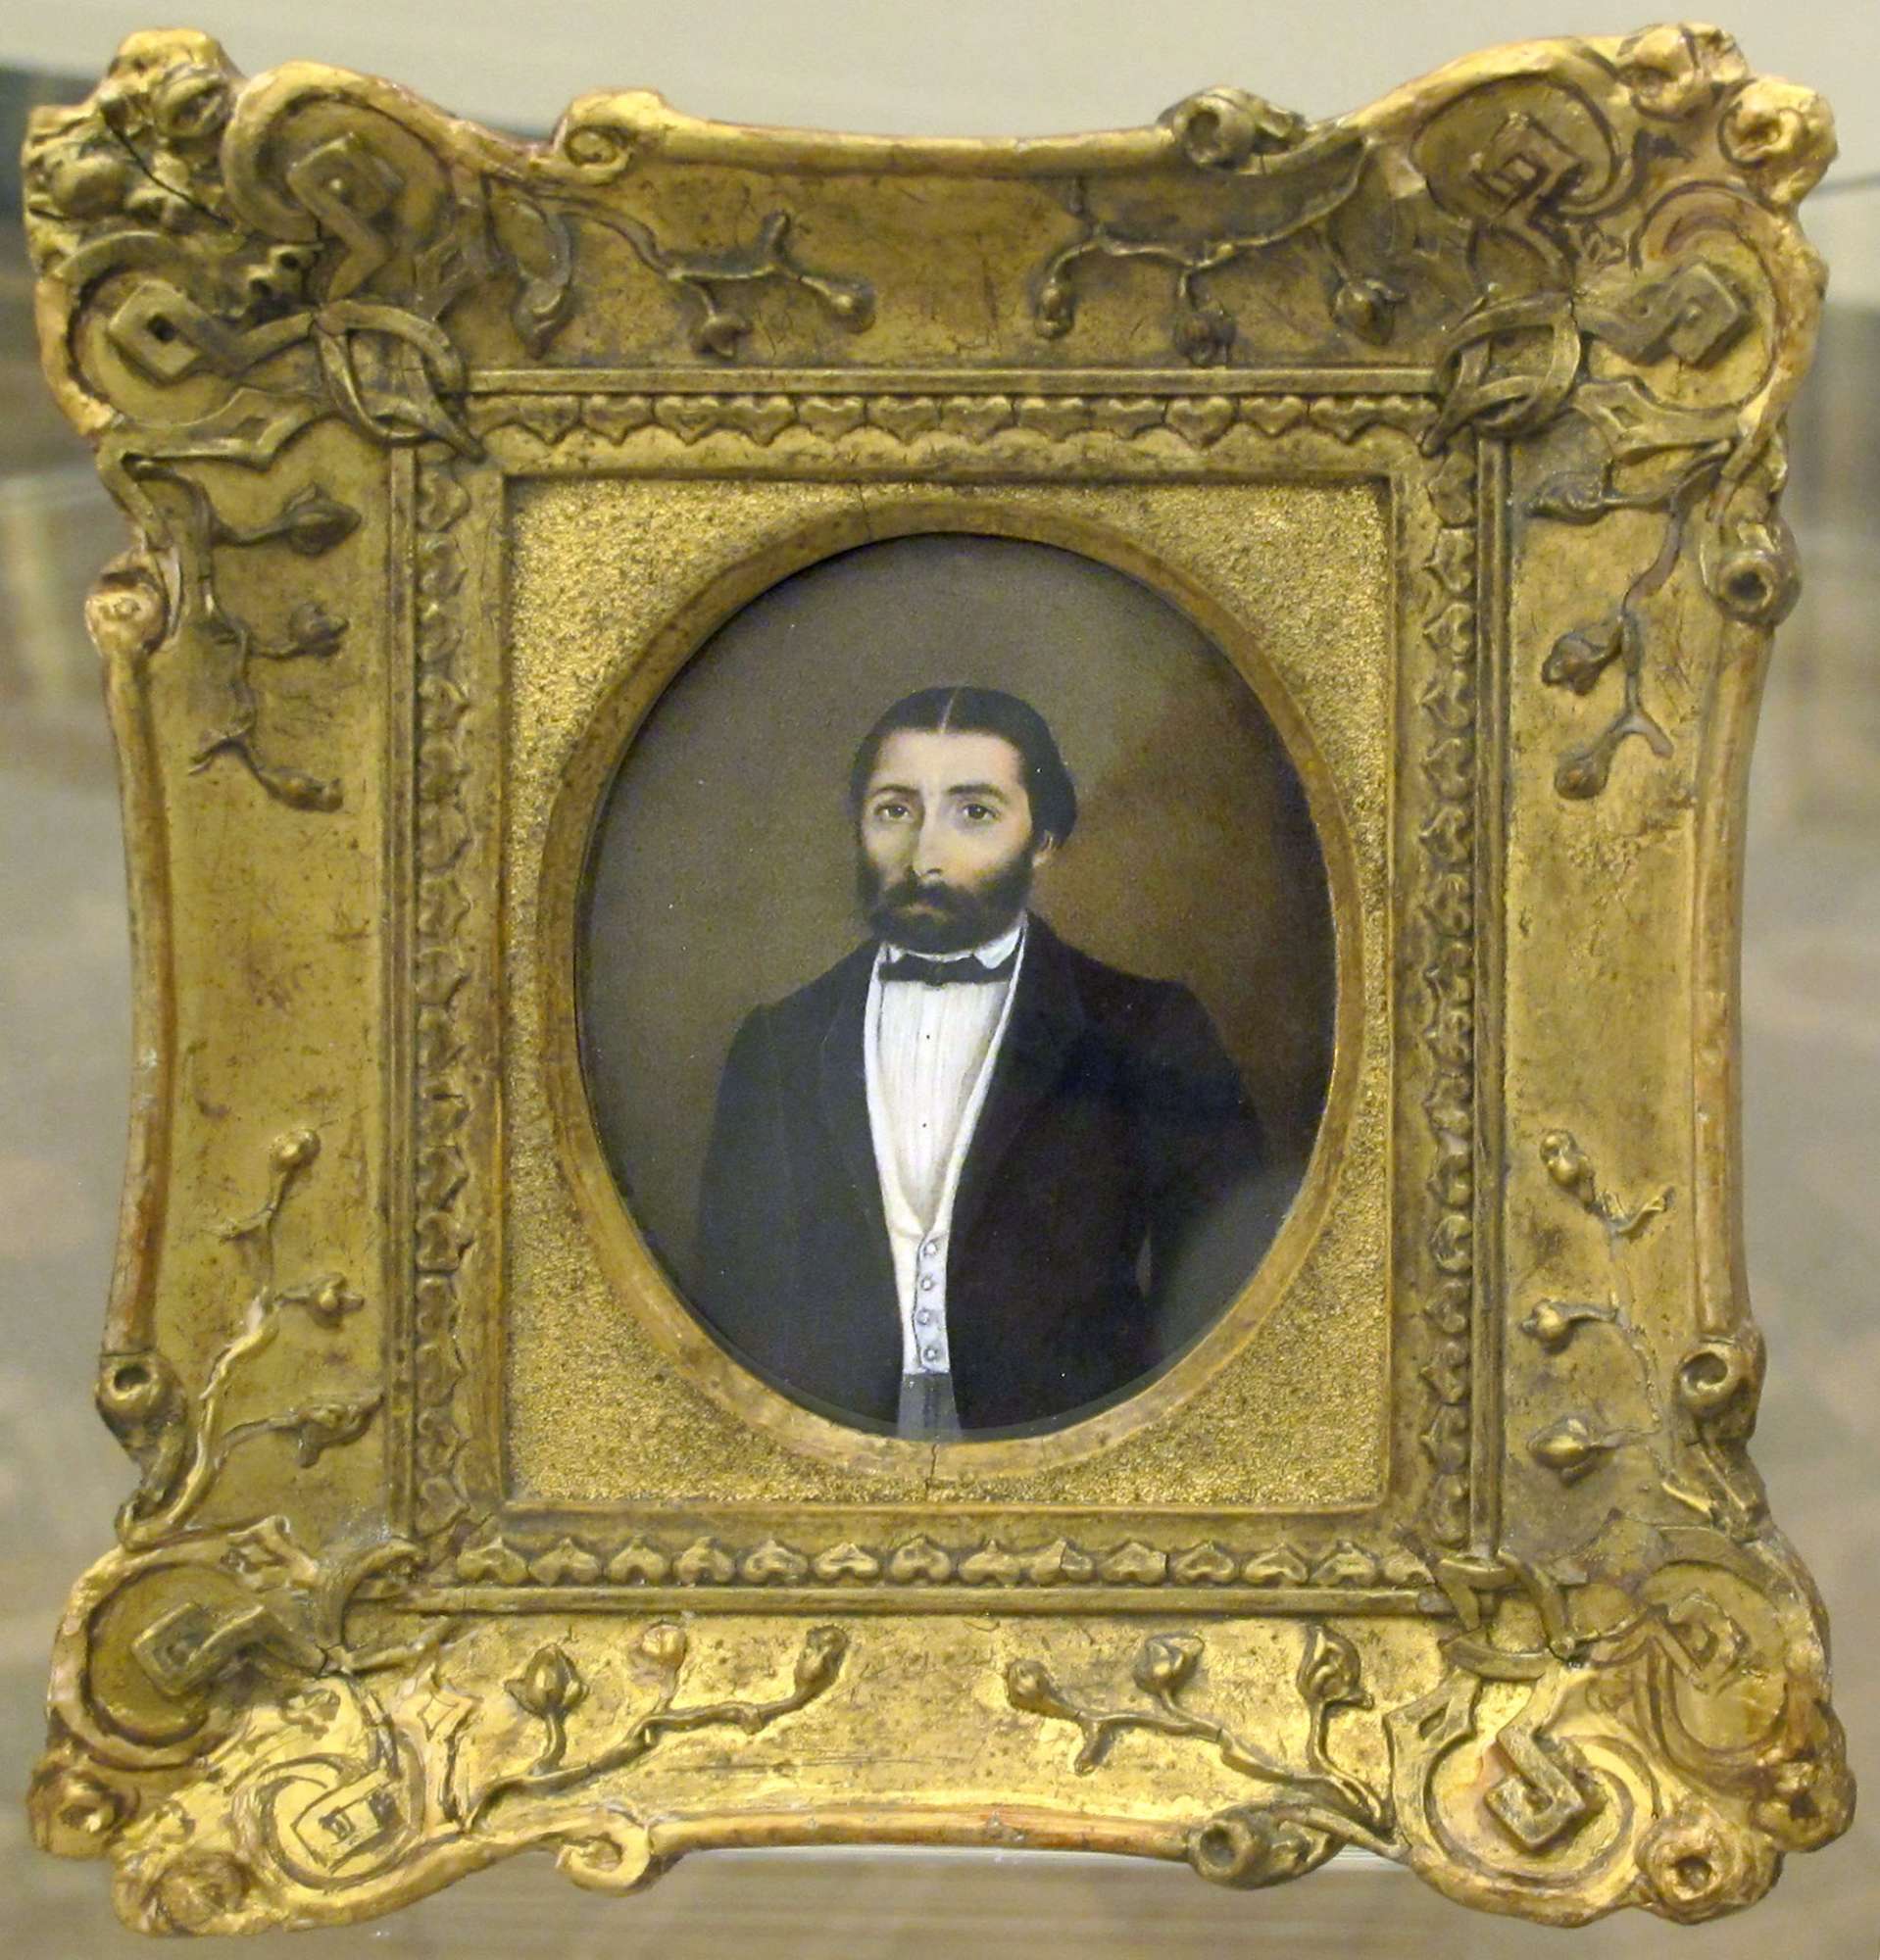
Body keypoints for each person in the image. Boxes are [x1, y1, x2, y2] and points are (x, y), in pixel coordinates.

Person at [694, 685, 1271, 1437]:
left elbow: (1228, 1292)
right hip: (831, 1455)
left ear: (1044, 839)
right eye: (895, 811)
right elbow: (734, 1306)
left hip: (1074, 1446)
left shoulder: (1146, 1030)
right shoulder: (779, 1043)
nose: (925, 858)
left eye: (974, 813)